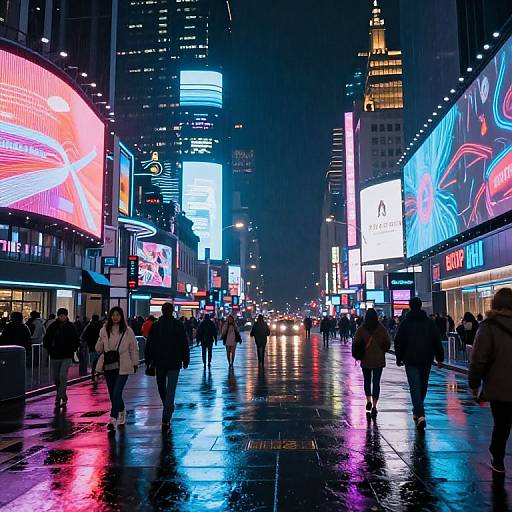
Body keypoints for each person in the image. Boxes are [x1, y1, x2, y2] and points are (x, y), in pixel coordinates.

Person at [469, 288, 512, 474]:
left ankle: (498, 459)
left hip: (499, 387)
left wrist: (474, 383)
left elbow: (478, 359)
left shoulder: (489, 327)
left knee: (501, 424)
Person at [394, 297, 444, 430]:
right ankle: (419, 412)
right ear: (421, 306)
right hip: (426, 359)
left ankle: (419, 412)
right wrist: (440, 358)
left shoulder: (405, 323)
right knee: (423, 386)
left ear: (410, 306)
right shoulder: (429, 323)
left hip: (410, 360)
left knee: (415, 386)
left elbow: (398, 341)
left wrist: (399, 358)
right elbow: (436, 340)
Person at [145, 303, 190, 430]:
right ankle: (168, 410)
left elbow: (149, 344)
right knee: (171, 389)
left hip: (160, 362)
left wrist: (148, 359)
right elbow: (184, 343)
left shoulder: (156, 326)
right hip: (174, 362)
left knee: (161, 387)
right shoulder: (178, 325)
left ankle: (166, 413)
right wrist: (185, 359)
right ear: (172, 311)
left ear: (162, 311)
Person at [96, 307, 139, 432]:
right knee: (112, 393)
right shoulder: (104, 330)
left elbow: (133, 348)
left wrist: (135, 363)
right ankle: (121, 410)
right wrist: (100, 343)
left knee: (116, 392)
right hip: (109, 365)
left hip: (123, 365)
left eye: (117, 315)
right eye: (113, 315)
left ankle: (112, 419)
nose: (115, 317)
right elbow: (99, 348)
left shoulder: (128, 331)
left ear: (121, 316)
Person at [352, 308, 391, 418]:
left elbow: (355, 343)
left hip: (366, 359)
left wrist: (358, 354)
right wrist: (381, 350)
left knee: (367, 381)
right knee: (376, 382)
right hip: (379, 359)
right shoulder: (381, 328)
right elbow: (387, 343)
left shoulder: (361, 329)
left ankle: (368, 399)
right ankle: (374, 406)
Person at [43, 308, 80, 408]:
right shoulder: (53, 326)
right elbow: (46, 339)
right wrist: (50, 349)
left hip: (67, 355)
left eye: (64, 315)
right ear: (58, 316)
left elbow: (76, 339)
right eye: (60, 315)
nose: (62, 317)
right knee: (56, 378)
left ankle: (59, 397)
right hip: (55, 355)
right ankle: (63, 395)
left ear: (66, 316)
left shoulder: (71, 326)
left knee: (63, 375)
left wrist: (73, 348)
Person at [81, 314, 103, 381]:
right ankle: (97, 372)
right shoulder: (100, 326)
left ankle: (93, 373)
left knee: (93, 360)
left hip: (91, 346)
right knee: (98, 360)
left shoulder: (89, 326)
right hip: (99, 346)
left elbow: (84, 335)